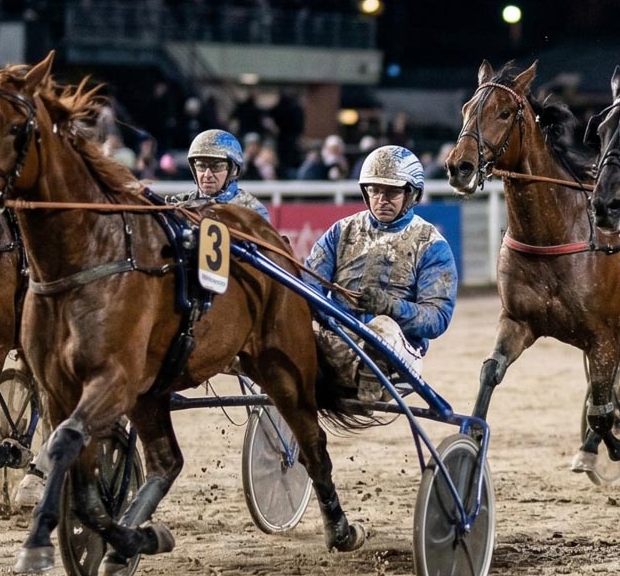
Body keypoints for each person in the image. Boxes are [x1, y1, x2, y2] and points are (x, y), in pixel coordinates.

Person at [305, 145, 457, 402]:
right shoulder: (342, 231)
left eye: (392, 191)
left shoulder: (431, 244)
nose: (381, 199)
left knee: (382, 327)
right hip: (341, 339)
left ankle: (369, 387)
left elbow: (438, 317)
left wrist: (391, 307)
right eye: (374, 190)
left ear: (412, 194)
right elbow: (310, 282)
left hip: (399, 353)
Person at [170, 129, 269, 222]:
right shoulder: (178, 204)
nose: (207, 174)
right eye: (201, 166)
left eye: (216, 166)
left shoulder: (252, 210)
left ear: (233, 170)